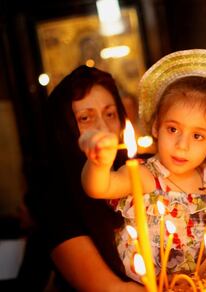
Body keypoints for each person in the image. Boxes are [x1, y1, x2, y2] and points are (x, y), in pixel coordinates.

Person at [79, 49, 206, 282]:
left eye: (197, 136)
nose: (181, 145)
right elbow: (99, 188)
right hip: (157, 284)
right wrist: (98, 163)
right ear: (156, 127)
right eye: (173, 129)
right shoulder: (145, 176)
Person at [37, 65, 146, 291]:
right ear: (64, 129)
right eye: (85, 118)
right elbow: (111, 289)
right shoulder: (56, 203)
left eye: (110, 114)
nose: (103, 127)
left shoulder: (144, 167)